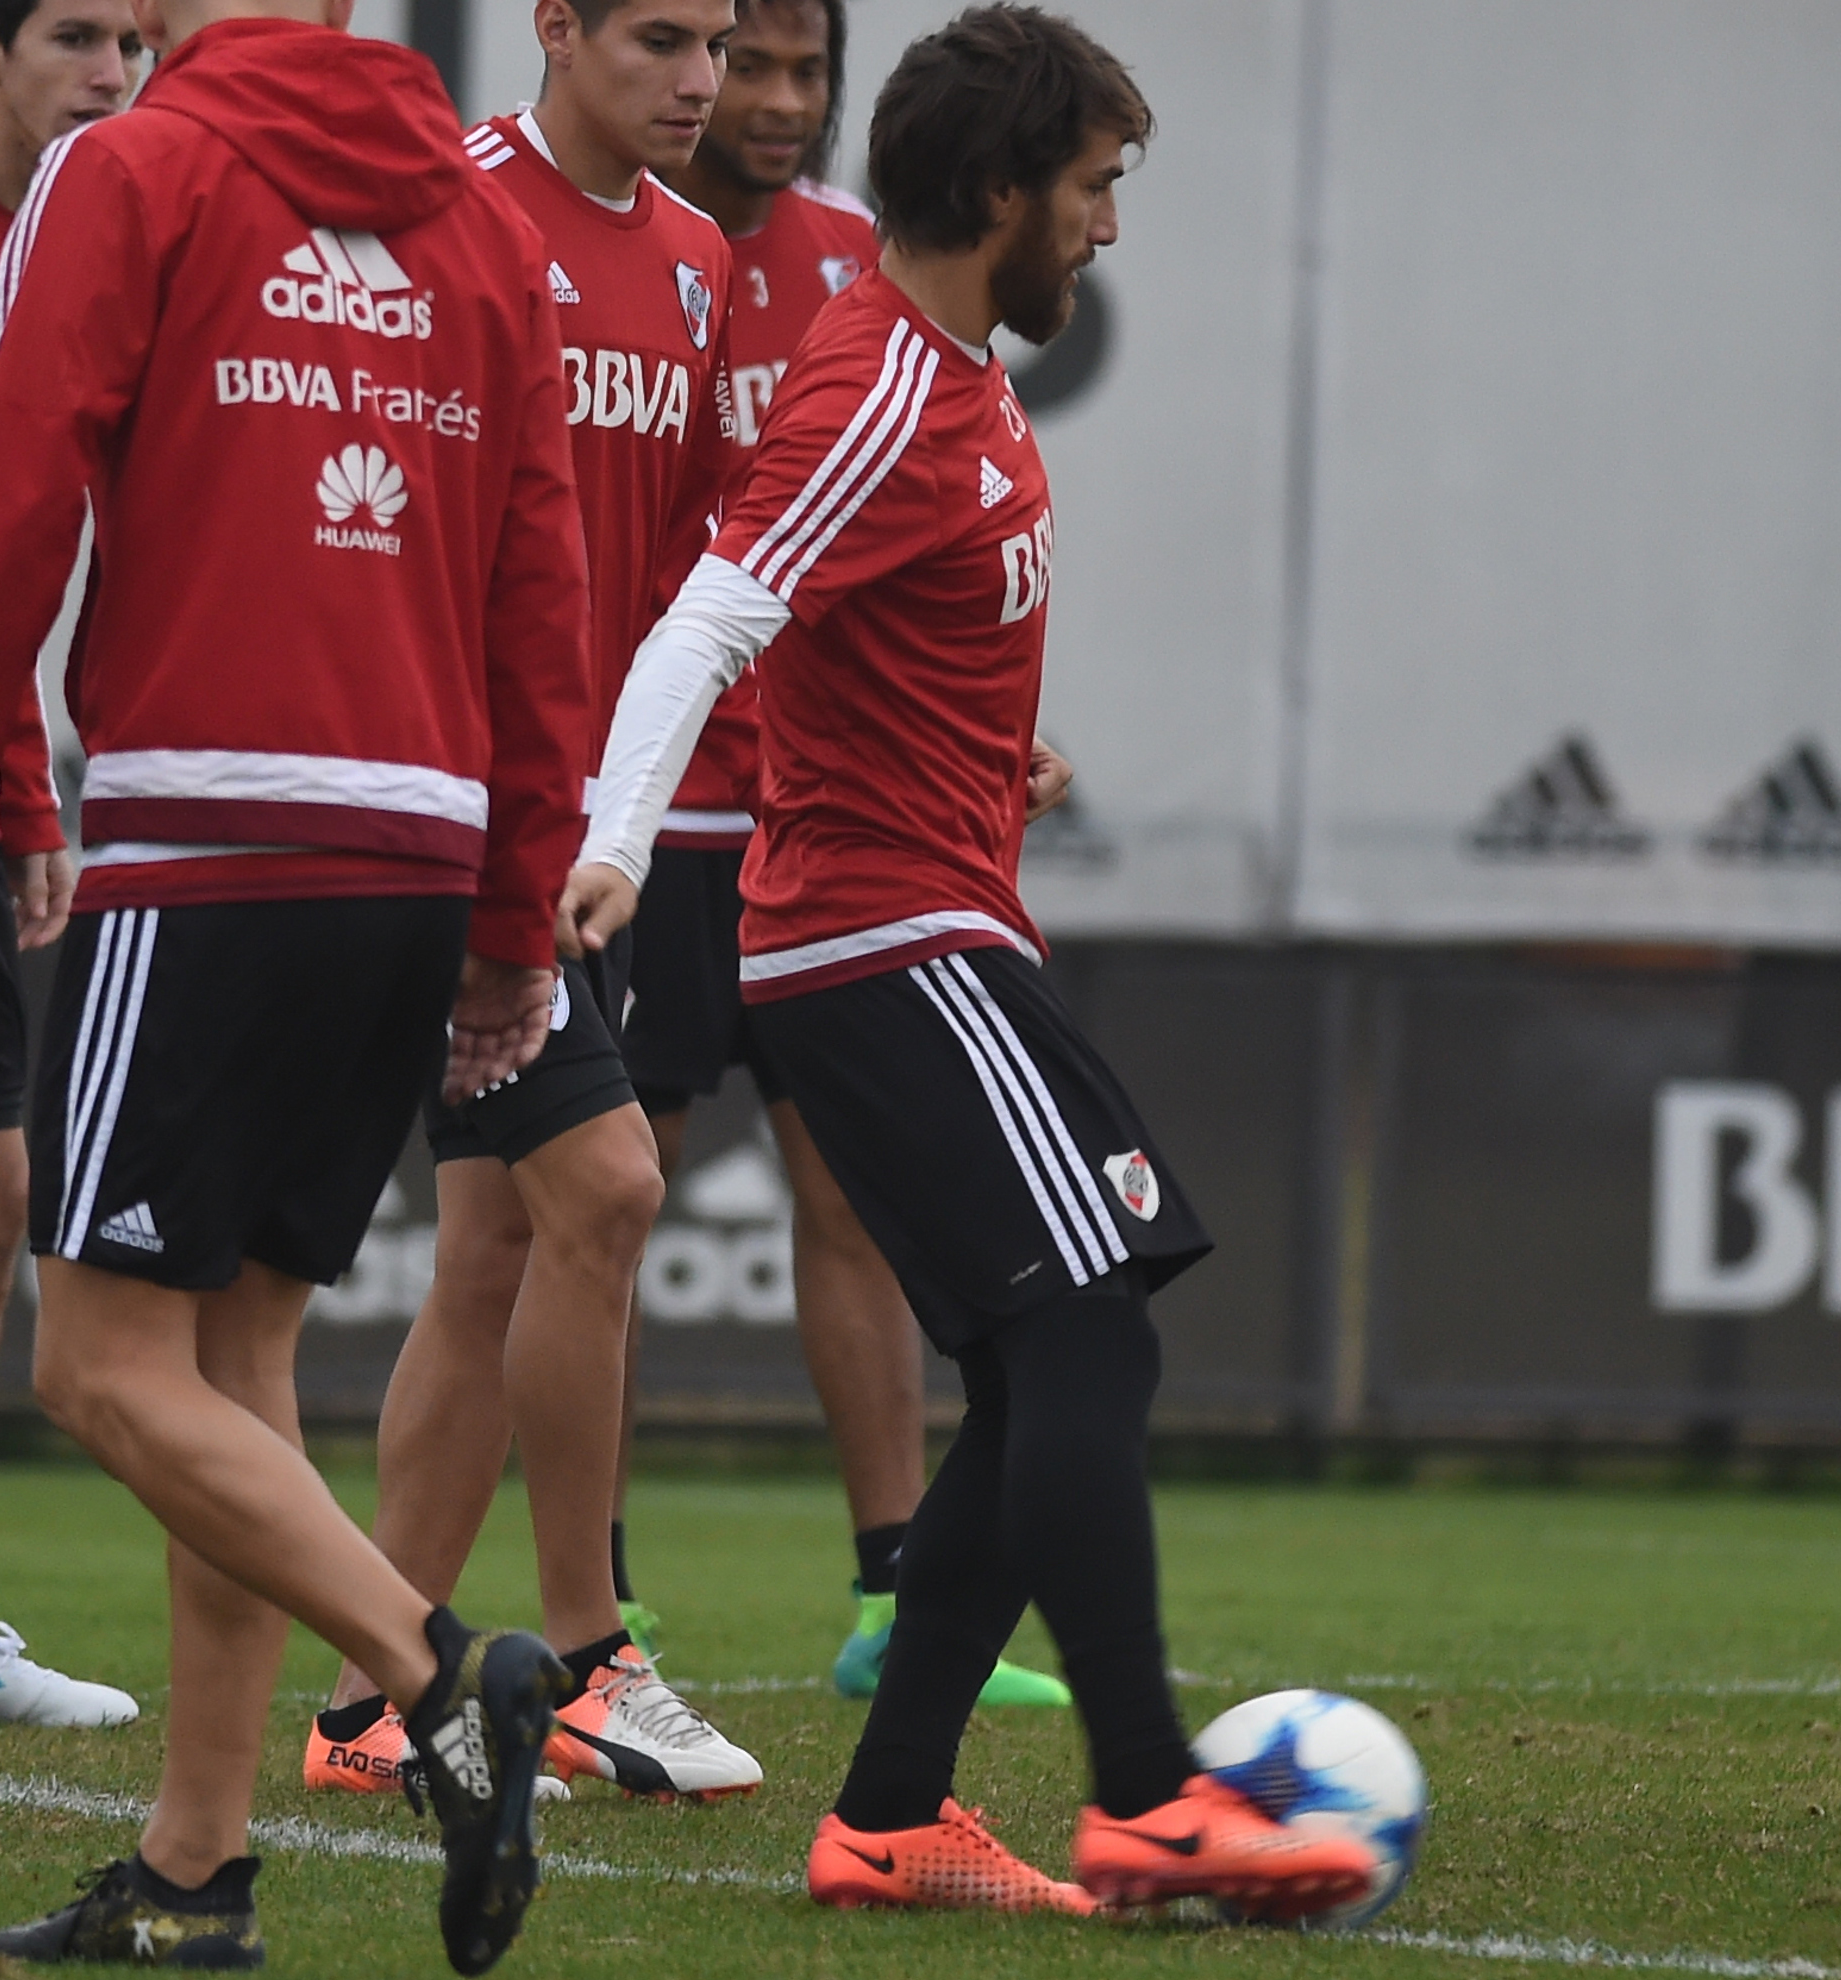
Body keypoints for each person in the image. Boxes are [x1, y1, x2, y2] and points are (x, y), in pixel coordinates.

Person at [559, 5, 1380, 1918]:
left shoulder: (946, 367)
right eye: (1092, 188)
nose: (1106, 228)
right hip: (879, 940)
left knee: (1047, 1362)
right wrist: (609, 847)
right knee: (1085, 1328)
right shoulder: (878, 388)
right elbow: (703, 626)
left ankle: (895, 1814)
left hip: (928, 923)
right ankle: (1152, 1796)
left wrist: (977, 733)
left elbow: (869, 622)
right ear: (999, 190)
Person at [0, 0, 595, 1966]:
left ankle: (436, 1675)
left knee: (92, 1365)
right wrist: (509, 923)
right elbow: (542, 590)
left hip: (211, 842)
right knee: (236, 1377)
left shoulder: (133, 165)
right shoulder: (481, 226)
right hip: (410, 858)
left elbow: (10, 496)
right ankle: (191, 1879)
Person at [298, 0, 766, 1810]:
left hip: (590, 839)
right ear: (555, 29)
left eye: (719, 43)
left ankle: (362, 1707)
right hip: (470, 831)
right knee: (614, 1187)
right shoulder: (452, 212)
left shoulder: (704, 264)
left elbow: (702, 571)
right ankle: (586, 1658)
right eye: (660, 37)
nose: (704, 81)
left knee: (500, 1253)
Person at [635, 0, 1067, 1710]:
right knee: (600, 1206)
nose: (771, 98)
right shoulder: (629, 247)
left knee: (856, 1211)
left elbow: (906, 557)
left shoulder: (860, 266)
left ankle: (893, 1592)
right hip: (662, 820)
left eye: (808, 69)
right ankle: (606, 1622)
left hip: (836, 823)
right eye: (745, 61)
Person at [0, 0, 131, 1737]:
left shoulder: (70, 244)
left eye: (136, 42)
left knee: (1, 1192)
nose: (113, 71)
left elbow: (21, 568)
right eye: (80, 34)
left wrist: (27, 792)